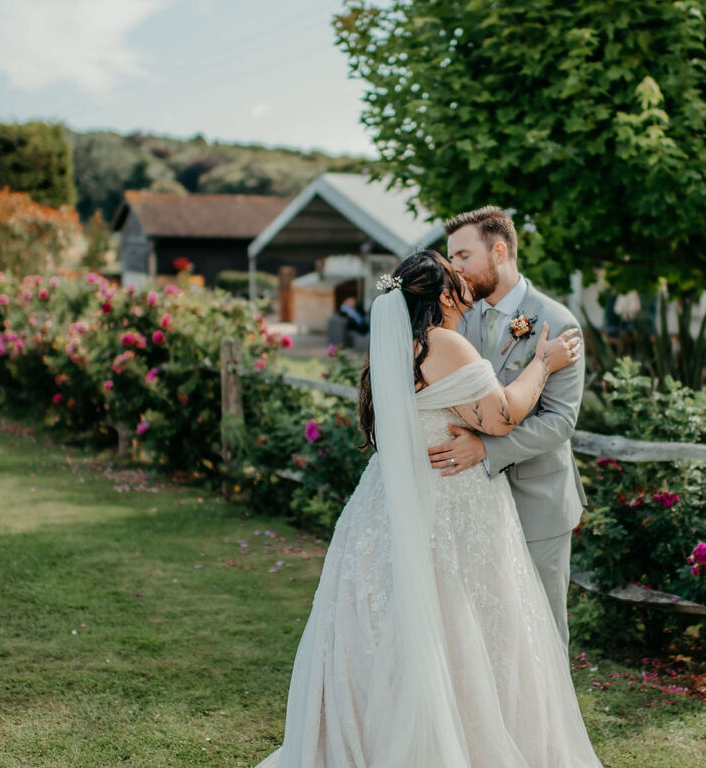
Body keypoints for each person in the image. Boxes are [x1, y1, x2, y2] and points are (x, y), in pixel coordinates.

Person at [255, 251, 602, 768]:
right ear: (443, 296)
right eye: (456, 276)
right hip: (445, 503)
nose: (466, 282)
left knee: (386, 626)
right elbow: (502, 416)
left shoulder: (401, 348)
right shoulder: (443, 343)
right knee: (460, 625)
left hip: (385, 507)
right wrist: (543, 363)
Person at [427, 206, 586, 648]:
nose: (453, 268)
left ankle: (552, 719)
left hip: (537, 497)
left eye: (462, 256)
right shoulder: (458, 315)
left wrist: (486, 449)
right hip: (472, 497)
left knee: (542, 622)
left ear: (499, 251)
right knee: (485, 619)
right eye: (450, 258)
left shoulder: (558, 322)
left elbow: (560, 421)